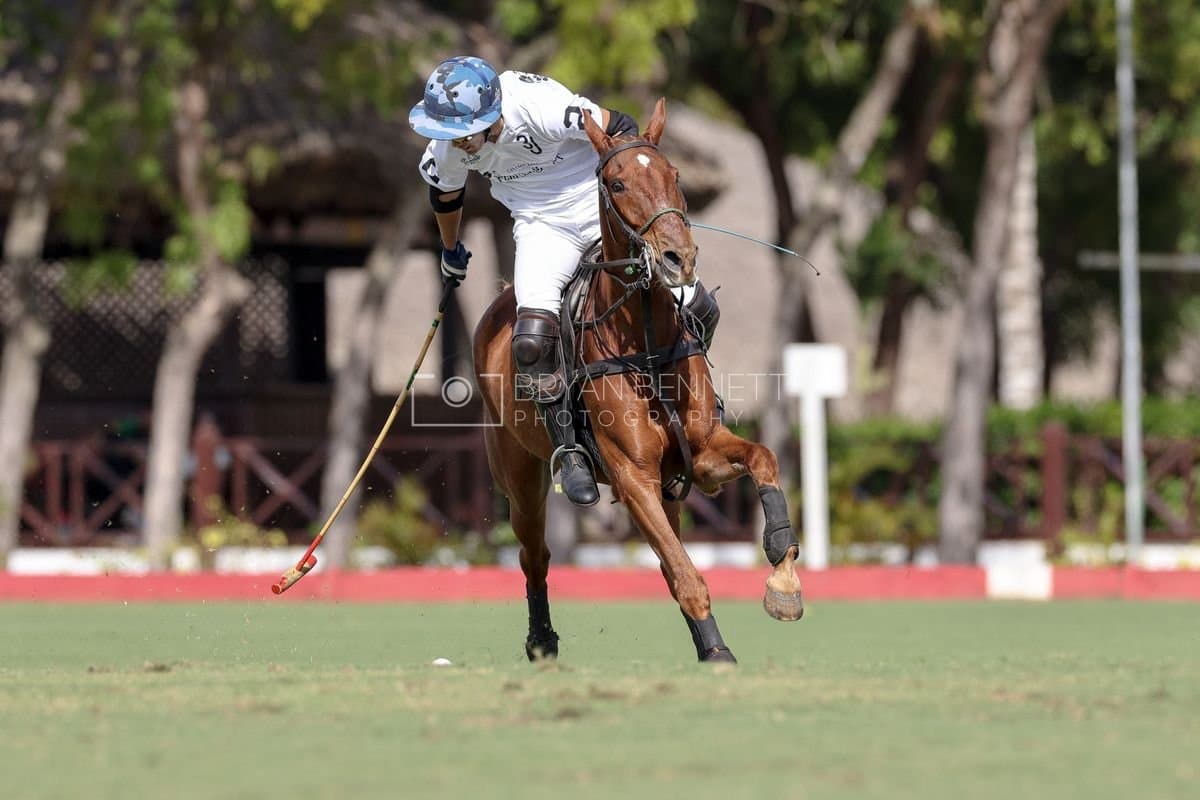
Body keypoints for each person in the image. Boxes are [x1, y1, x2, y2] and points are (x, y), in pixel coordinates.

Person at [408, 55, 719, 507]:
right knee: (530, 342)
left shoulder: (538, 104)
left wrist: (645, 208)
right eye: (447, 133)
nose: (455, 143)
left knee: (700, 307)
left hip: (601, 212)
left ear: (493, 114)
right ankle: (569, 449)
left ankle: (694, 421)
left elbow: (623, 125)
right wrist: (451, 250)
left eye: (462, 132)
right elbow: (446, 195)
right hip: (540, 226)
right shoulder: (448, 149)